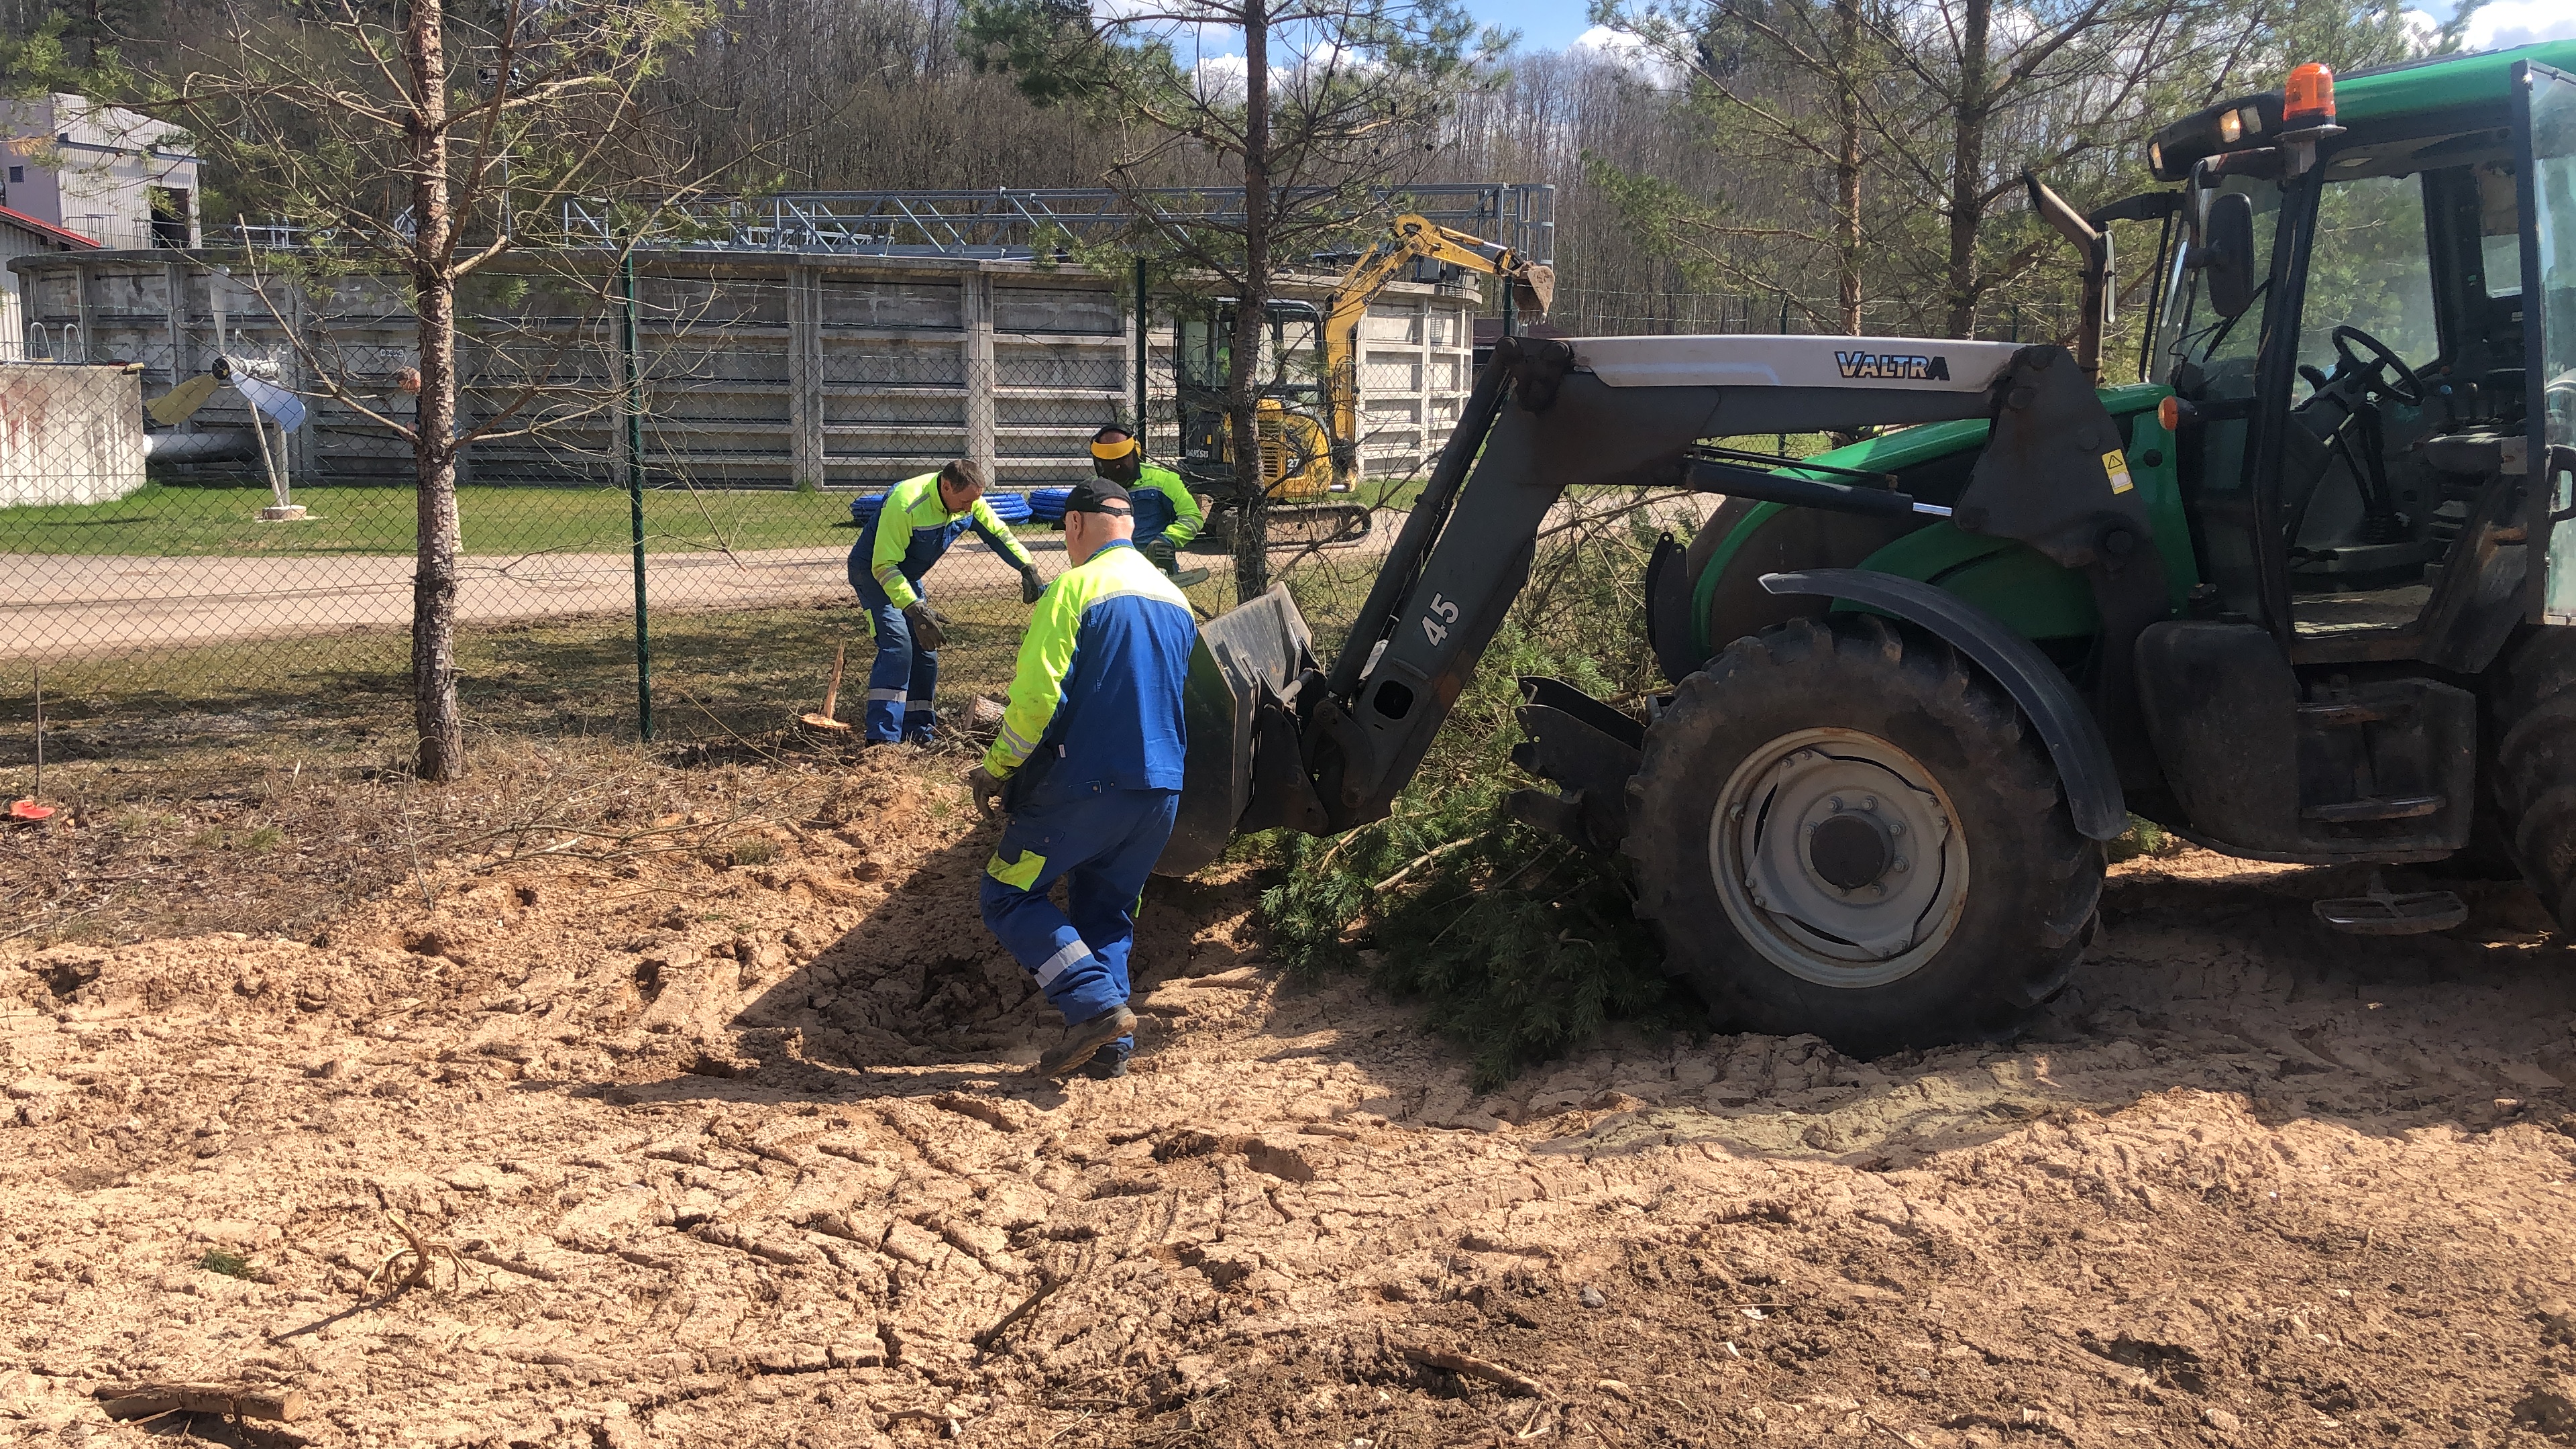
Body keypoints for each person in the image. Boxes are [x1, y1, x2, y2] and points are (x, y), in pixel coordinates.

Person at [967, 478, 1197, 1079]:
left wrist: (996, 769)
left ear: (1074, 526)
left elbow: (1037, 702)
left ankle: (1092, 1007)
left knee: (1008, 895)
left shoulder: (1072, 589)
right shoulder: (1175, 598)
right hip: (1160, 792)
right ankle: (1109, 1054)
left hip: (1084, 786)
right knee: (1107, 911)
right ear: (1129, 524)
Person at [846, 458, 1044, 745]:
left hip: (906, 575)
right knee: (898, 645)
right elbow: (884, 565)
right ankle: (882, 741)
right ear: (947, 486)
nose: (969, 509)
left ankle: (918, 732)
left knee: (926, 651)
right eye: (964, 502)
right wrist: (915, 609)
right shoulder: (906, 503)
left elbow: (998, 533)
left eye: (974, 502)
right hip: (875, 573)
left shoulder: (969, 500)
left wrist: (1027, 566)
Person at [1087, 426, 1204, 577]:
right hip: (1109, 572)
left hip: (1156, 571)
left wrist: (1167, 539)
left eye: (1122, 459)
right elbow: (1076, 535)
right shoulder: (1091, 491)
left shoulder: (1163, 480)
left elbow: (1192, 517)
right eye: (1109, 461)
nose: (1117, 466)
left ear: (1136, 452)